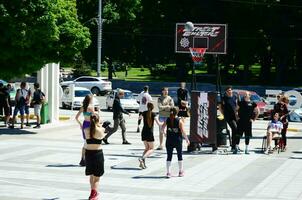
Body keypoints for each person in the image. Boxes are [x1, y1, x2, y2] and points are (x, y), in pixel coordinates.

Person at [161, 107, 190, 178]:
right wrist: (187, 139)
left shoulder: (167, 119)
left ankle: (168, 173)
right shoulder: (179, 121)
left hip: (169, 140)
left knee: (169, 156)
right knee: (179, 156)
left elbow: (162, 128)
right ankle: (180, 172)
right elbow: (183, 132)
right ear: (177, 112)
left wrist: (165, 134)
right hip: (178, 140)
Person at [83, 113, 106, 200]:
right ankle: (93, 195)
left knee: (91, 176)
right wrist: (100, 124)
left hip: (88, 154)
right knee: (97, 178)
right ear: (98, 120)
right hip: (97, 154)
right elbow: (102, 132)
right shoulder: (101, 130)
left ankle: (93, 192)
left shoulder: (86, 130)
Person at [138, 102, 160, 169]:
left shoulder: (144, 113)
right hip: (149, 133)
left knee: (146, 148)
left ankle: (143, 163)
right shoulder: (153, 114)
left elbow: (139, 118)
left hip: (143, 132)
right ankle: (142, 158)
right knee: (152, 148)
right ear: (153, 107)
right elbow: (159, 123)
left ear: (147, 107)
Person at [75, 94, 95, 166]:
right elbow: (94, 116)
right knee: (90, 143)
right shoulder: (91, 107)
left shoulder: (83, 107)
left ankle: (82, 159)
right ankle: (88, 159)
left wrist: (80, 124)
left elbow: (76, 117)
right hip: (90, 125)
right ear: (90, 100)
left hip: (84, 124)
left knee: (85, 143)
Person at [222, 86, 239, 152]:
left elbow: (237, 105)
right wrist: (224, 114)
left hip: (235, 116)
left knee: (237, 130)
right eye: (228, 90)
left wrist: (237, 112)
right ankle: (233, 146)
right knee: (234, 128)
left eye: (230, 90)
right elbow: (220, 107)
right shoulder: (224, 98)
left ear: (232, 90)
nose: (229, 91)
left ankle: (235, 145)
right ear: (226, 92)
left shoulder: (235, 97)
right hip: (228, 116)